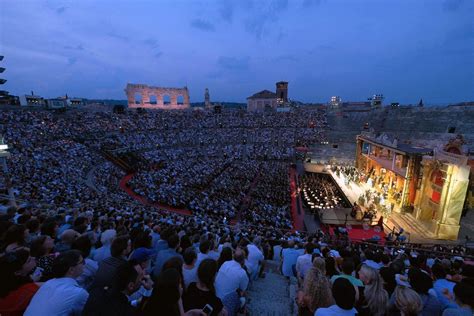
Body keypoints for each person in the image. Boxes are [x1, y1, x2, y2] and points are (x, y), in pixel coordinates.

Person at [24, 249, 89, 316]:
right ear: (71, 270)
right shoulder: (78, 293)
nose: (85, 264)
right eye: (82, 262)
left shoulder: (48, 283)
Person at [0, 248, 39, 316]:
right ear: (18, 272)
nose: (34, 258)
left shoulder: (6, 282)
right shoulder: (27, 289)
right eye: (29, 261)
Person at [215, 248, 249, 315]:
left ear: (233, 256)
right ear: (243, 260)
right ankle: (243, 310)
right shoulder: (242, 273)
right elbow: (243, 290)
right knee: (243, 296)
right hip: (225, 303)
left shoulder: (225, 263)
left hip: (216, 296)